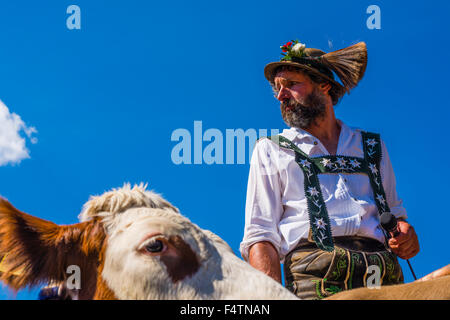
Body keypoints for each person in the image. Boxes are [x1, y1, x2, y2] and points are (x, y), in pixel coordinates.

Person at [239, 40, 419, 299]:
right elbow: (261, 235)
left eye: (291, 84)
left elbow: (396, 216)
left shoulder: (371, 146)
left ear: (324, 85)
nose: (281, 95)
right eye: (278, 88)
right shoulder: (271, 149)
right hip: (314, 280)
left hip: (383, 279)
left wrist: (406, 236)